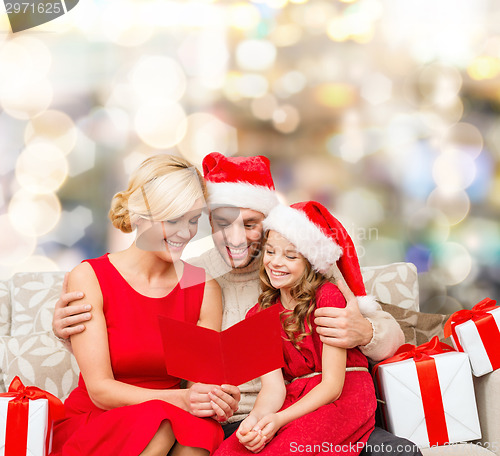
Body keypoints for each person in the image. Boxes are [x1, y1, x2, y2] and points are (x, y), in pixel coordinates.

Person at [53, 153, 421, 456]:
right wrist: (71, 333)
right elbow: (181, 369)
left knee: (399, 453)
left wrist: (366, 331)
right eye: (221, 222)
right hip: (235, 421)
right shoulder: (201, 273)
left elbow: (391, 336)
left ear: (271, 223)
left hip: (305, 411)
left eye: (250, 224)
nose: (235, 237)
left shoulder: (300, 267)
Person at [51, 155, 227, 456]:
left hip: (170, 417)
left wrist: (213, 397)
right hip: (98, 421)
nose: (185, 233)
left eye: (193, 220)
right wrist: (183, 401)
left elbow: (198, 384)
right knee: (160, 423)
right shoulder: (91, 277)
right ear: (139, 217)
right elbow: (100, 391)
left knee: (202, 429)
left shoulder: (202, 287)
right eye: (172, 220)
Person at [215, 201, 378, 455]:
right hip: (295, 397)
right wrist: (255, 420)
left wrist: (279, 420)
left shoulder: (328, 297)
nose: (276, 263)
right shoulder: (257, 315)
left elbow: (333, 387)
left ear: (310, 262)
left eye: (290, 256)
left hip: (342, 397)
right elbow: (273, 388)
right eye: (270, 252)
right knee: (231, 450)